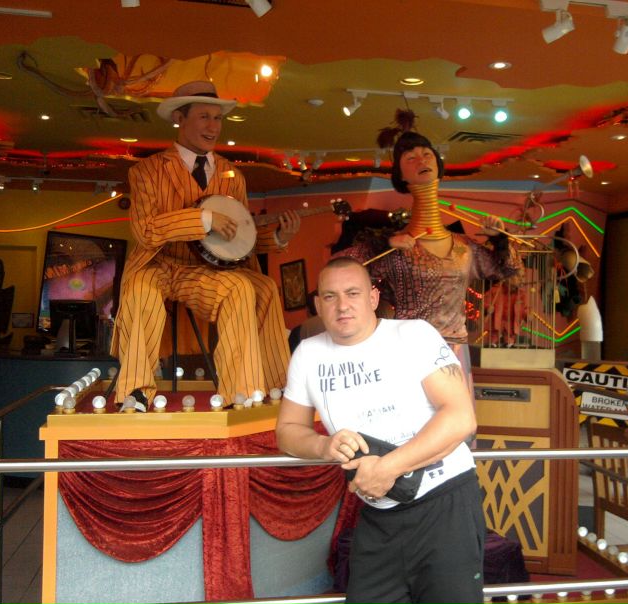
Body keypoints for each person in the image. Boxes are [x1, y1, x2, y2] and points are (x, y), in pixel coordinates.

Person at [276, 257, 485, 604]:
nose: (342, 305)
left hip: (444, 503)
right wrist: (324, 446)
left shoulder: (413, 334)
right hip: (378, 514)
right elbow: (287, 430)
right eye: (330, 296)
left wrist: (388, 468)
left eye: (353, 293)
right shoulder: (308, 355)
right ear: (318, 305)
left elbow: (461, 418)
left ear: (373, 298)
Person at [111, 80, 300, 410]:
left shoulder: (232, 175)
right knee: (140, 291)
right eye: (204, 117)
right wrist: (203, 219)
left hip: (205, 272)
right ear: (179, 118)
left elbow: (239, 239)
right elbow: (146, 230)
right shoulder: (147, 171)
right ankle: (135, 392)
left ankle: (250, 392)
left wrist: (279, 237)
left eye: (217, 118)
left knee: (250, 287)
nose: (213, 126)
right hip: (157, 264)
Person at [338, 130, 521, 392]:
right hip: (408, 351)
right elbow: (341, 268)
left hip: (455, 352)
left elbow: (509, 270)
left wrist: (501, 239)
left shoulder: (464, 247)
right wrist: (385, 244)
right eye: (410, 158)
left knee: (456, 416)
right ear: (400, 176)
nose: (422, 160)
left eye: (427, 154)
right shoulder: (396, 247)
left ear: (438, 164)